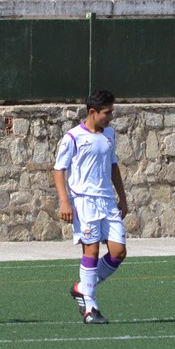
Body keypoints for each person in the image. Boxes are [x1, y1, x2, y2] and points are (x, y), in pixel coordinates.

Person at [53, 90, 127, 324]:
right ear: (93, 112)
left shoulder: (110, 135)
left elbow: (113, 165)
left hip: (106, 201)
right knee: (91, 252)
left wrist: (122, 198)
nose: (110, 117)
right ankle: (90, 309)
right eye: (107, 112)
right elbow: (59, 169)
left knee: (118, 252)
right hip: (84, 201)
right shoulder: (73, 137)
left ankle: (82, 288)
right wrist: (64, 201)